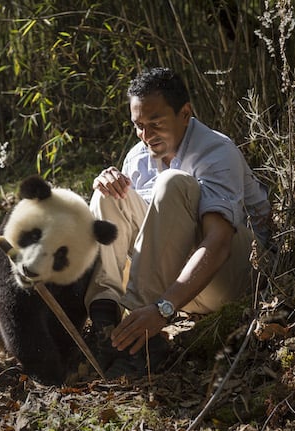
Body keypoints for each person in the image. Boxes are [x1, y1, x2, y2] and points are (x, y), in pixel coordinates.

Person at [85, 67, 271, 379]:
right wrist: (109, 184)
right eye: (138, 126)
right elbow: (150, 234)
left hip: (234, 278)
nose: (146, 135)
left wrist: (163, 310)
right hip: (176, 281)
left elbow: (219, 242)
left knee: (172, 184)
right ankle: (107, 325)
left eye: (155, 124)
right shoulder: (138, 156)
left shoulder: (215, 151)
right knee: (108, 193)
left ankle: (143, 342)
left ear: (185, 113)